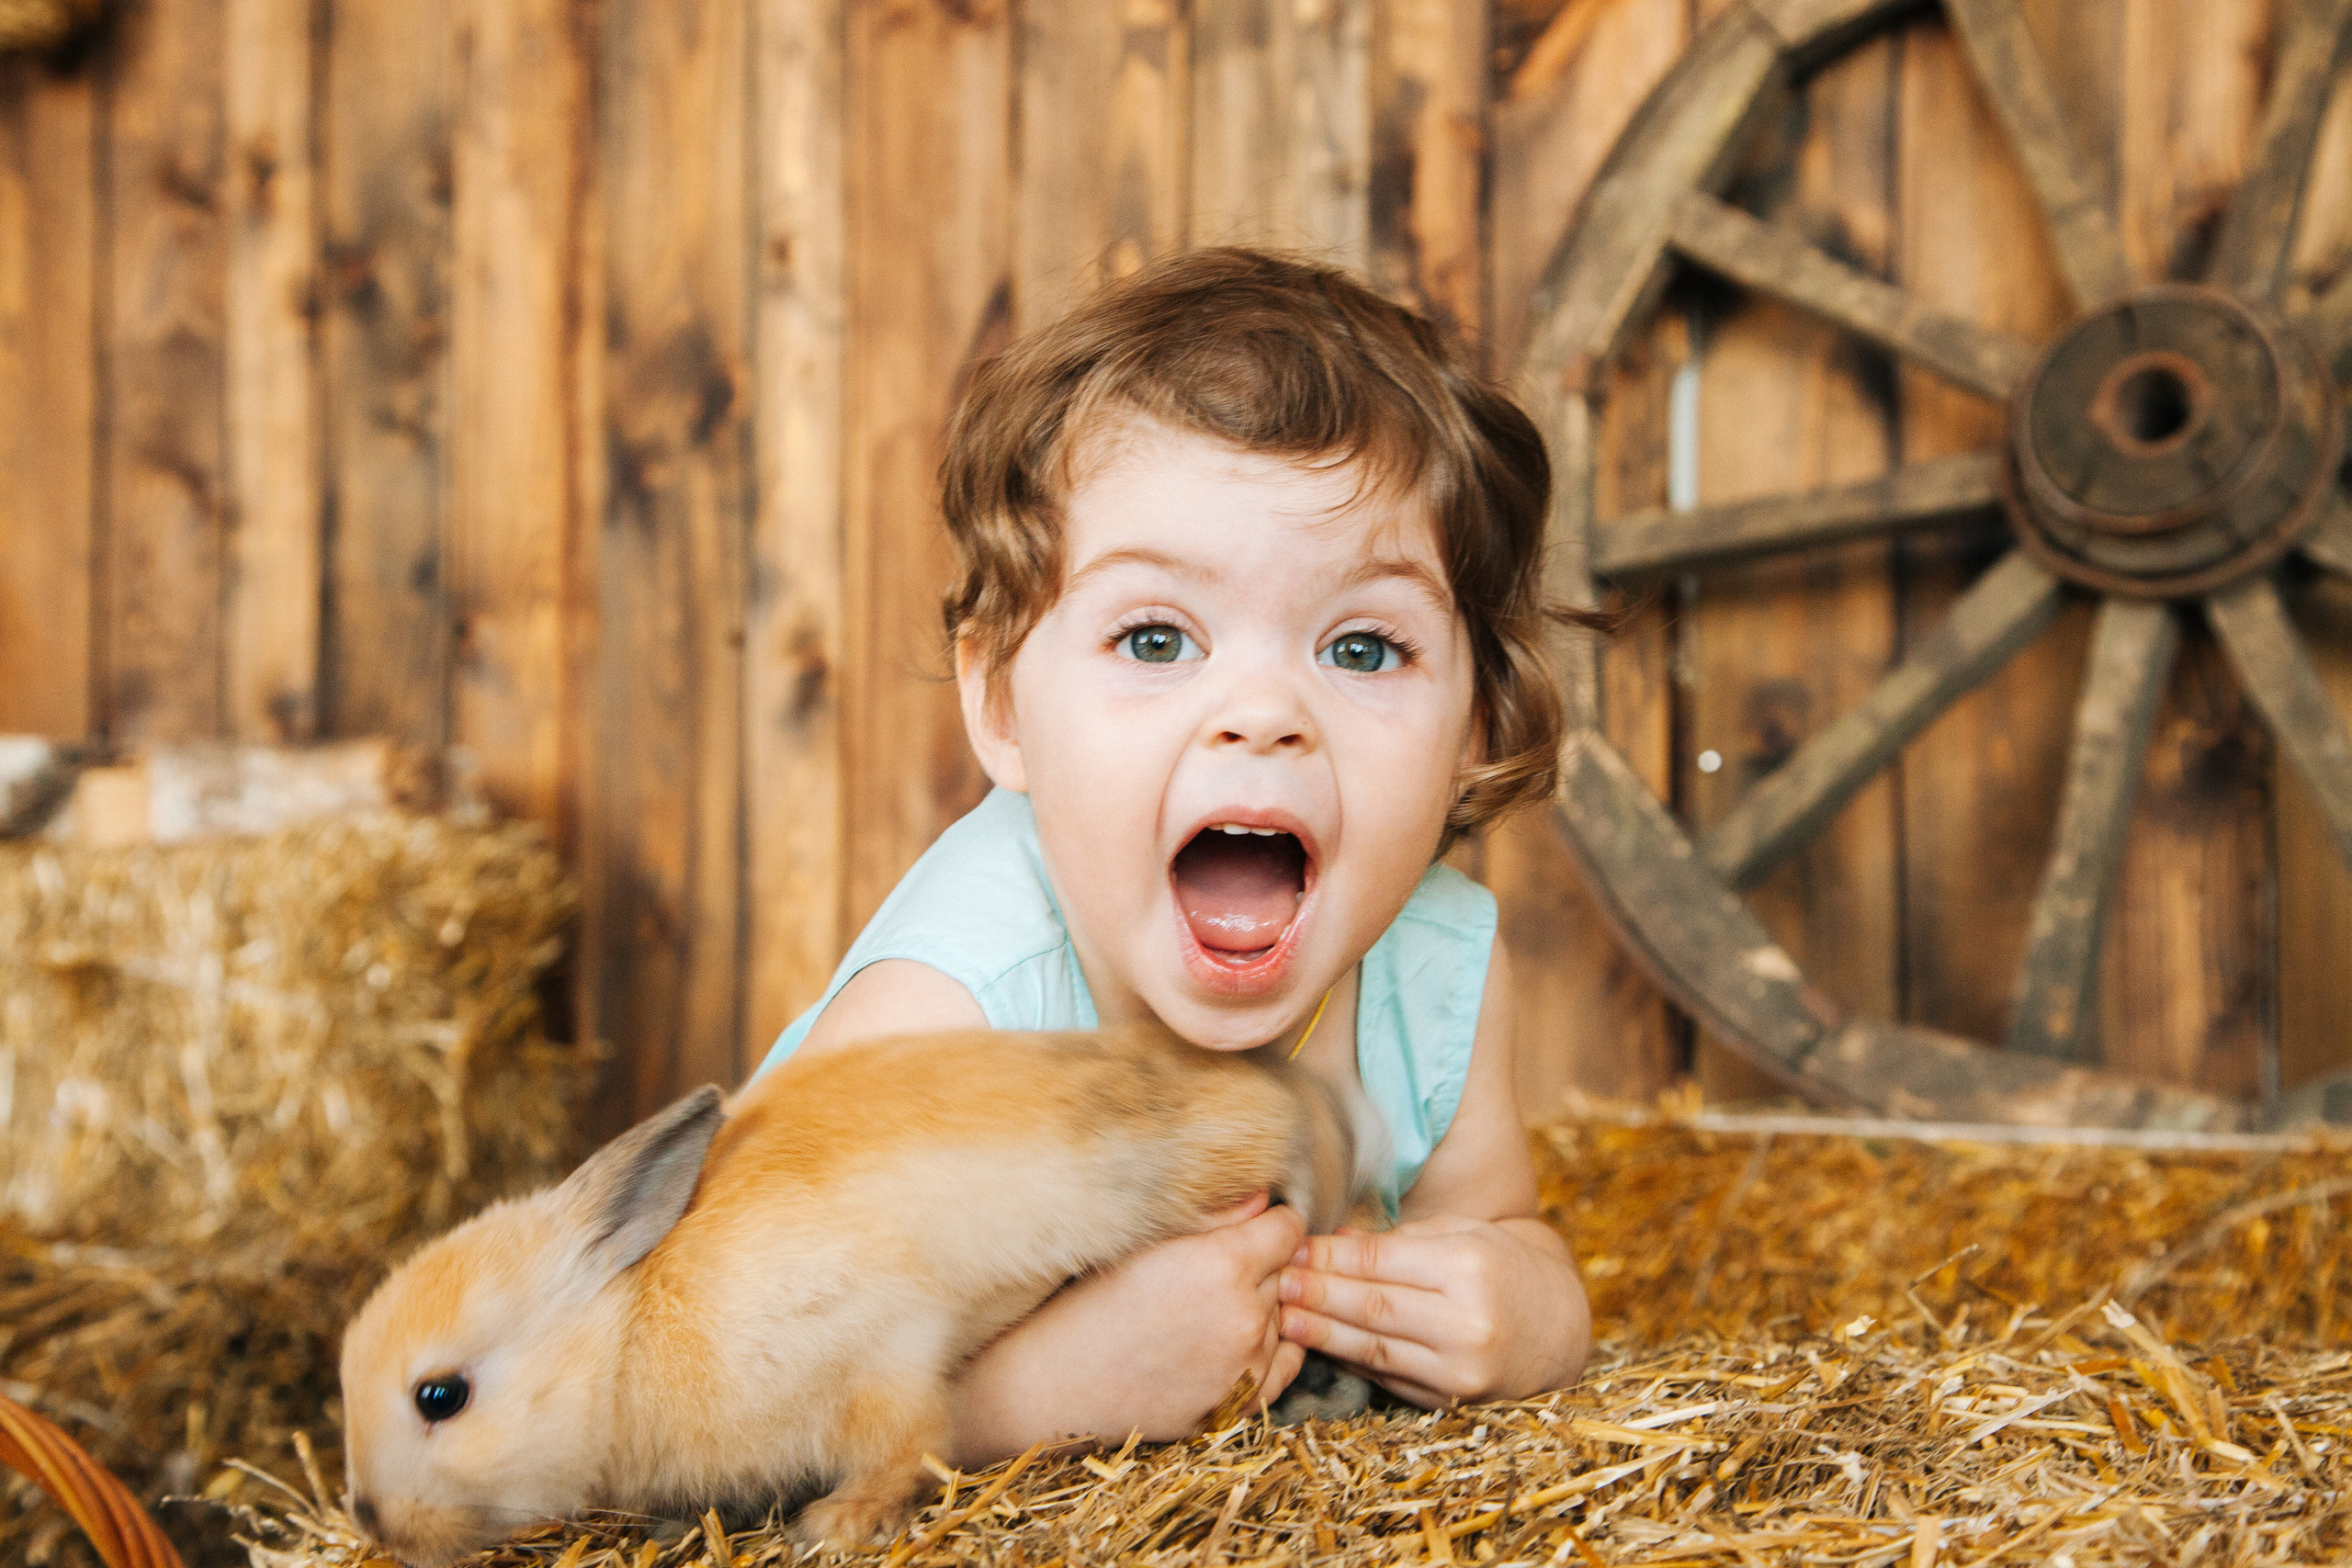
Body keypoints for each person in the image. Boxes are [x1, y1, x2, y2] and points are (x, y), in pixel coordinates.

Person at [756, 247, 1594, 1461]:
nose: (1263, 713)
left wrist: (1528, 1310)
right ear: (1001, 708)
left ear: (1473, 727)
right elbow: (717, 1403)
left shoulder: (1438, 972)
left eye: (1362, 649)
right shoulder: (949, 1018)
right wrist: (1033, 1399)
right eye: (1156, 637)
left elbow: (1496, 1226)